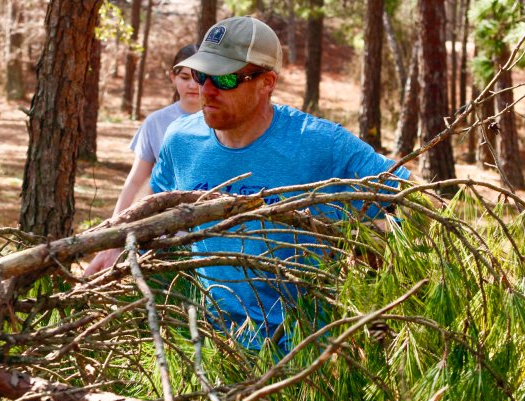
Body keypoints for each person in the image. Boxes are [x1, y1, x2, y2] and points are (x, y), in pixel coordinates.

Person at [148, 16, 410, 348]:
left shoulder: (321, 144)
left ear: (267, 82)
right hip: (212, 351)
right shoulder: (180, 140)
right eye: (201, 75)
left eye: (225, 79)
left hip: (302, 356)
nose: (206, 90)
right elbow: (157, 209)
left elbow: (418, 203)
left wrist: (366, 246)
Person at [84, 44, 201, 275]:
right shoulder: (156, 122)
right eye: (185, 77)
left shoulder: (223, 121)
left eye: (200, 78)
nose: (192, 85)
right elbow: (135, 181)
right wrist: (113, 238)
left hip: (208, 237)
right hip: (160, 238)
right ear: (172, 77)